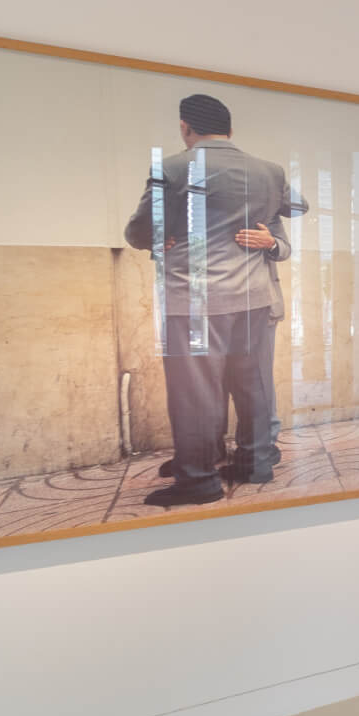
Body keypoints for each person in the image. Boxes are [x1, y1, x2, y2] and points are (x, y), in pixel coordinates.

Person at [123, 92, 299, 507]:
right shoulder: (270, 171)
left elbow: (138, 232)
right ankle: (255, 463)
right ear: (230, 130)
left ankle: (199, 478)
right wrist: (263, 222)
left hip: (195, 301)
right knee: (254, 386)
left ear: (185, 127)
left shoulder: (172, 168)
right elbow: (298, 206)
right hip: (255, 297)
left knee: (196, 393)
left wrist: (162, 237)